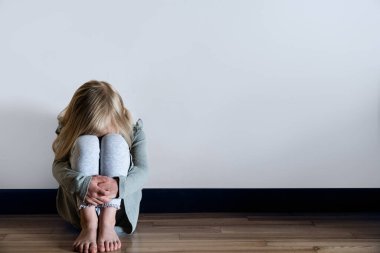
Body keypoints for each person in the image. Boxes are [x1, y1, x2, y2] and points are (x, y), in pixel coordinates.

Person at [52, 80, 149, 253]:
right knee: (86, 143)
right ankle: (89, 224)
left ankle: (107, 222)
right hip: (79, 209)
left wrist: (118, 186)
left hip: (119, 211)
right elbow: (58, 166)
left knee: (116, 142)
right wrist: (82, 184)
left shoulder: (134, 130)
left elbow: (142, 171)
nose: (99, 137)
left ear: (118, 120)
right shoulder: (66, 129)